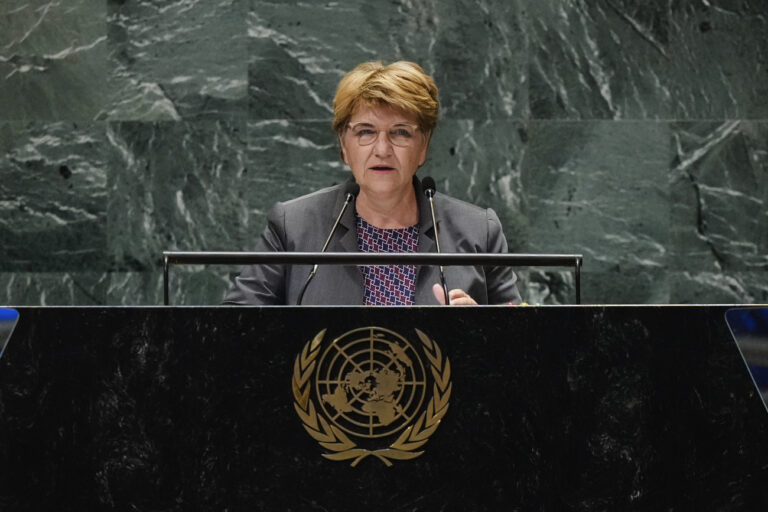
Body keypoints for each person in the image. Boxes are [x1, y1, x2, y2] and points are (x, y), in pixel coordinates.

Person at [224, 61, 521, 306]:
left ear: (424, 145)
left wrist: (483, 331)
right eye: (365, 132)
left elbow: (522, 348)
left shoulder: (479, 232)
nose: (382, 149)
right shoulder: (293, 226)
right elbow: (233, 326)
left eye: (401, 132)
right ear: (343, 144)